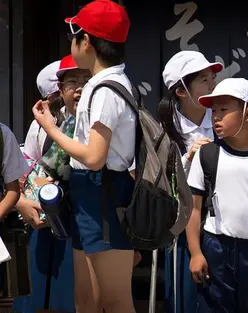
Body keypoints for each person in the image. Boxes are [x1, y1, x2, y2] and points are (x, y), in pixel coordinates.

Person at [158, 50, 248, 313]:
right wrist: (187, 160)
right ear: (181, 91)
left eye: (212, 77)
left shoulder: (245, 131)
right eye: (203, 80)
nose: (212, 85)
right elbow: (163, 189)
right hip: (189, 238)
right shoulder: (163, 132)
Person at [32, 1, 136, 312]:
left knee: (116, 301)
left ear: (86, 41)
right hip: (92, 194)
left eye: (72, 35)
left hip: (104, 193)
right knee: (87, 300)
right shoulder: (102, 85)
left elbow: (94, 157)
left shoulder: (106, 89)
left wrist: (50, 128)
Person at [186, 78, 248, 313]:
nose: (216, 116)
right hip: (216, 249)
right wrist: (196, 253)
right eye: (213, 111)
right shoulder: (207, 154)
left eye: (223, 110)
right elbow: (194, 208)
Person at [13, 55, 90, 313]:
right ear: (60, 88)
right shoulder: (42, 126)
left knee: (75, 300)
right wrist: (23, 201)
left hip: (86, 223)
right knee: (37, 297)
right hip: (44, 220)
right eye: (72, 81)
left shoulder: (103, 124)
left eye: (86, 79)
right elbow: (24, 170)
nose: (79, 87)